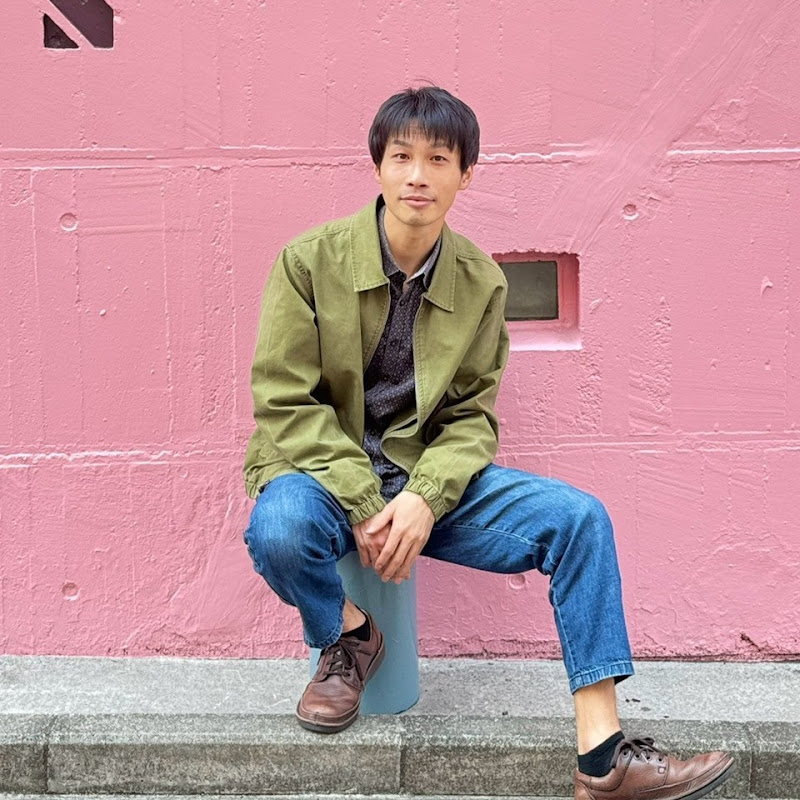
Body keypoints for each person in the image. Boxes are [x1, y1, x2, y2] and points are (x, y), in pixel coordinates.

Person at [242, 86, 733, 800]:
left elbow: (472, 416)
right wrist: (362, 497)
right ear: (378, 166)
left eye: (438, 159)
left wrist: (423, 496)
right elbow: (284, 399)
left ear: (465, 174)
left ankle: (603, 758)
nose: (418, 175)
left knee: (579, 520)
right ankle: (348, 635)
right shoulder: (307, 262)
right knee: (277, 527)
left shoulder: (480, 282)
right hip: (322, 478)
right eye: (402, 157)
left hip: (425, 483)